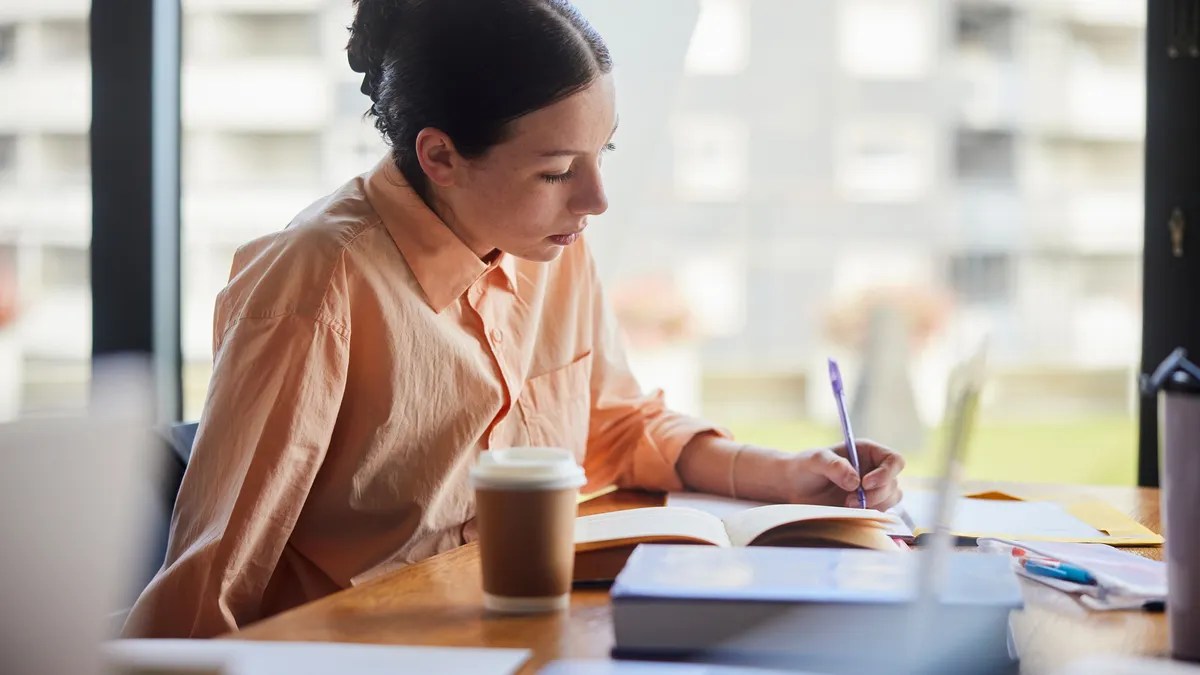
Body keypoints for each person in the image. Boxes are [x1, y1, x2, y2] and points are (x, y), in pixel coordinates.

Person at [123, 0, 905, 639]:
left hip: (514, 626)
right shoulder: (317, 280)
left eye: (604, 153)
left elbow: (616, 426)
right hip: (364, 649)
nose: (596, 199)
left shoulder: (553, 246)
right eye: (559, 171)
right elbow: (212, 579)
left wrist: (789, 473)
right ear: (440, 158)